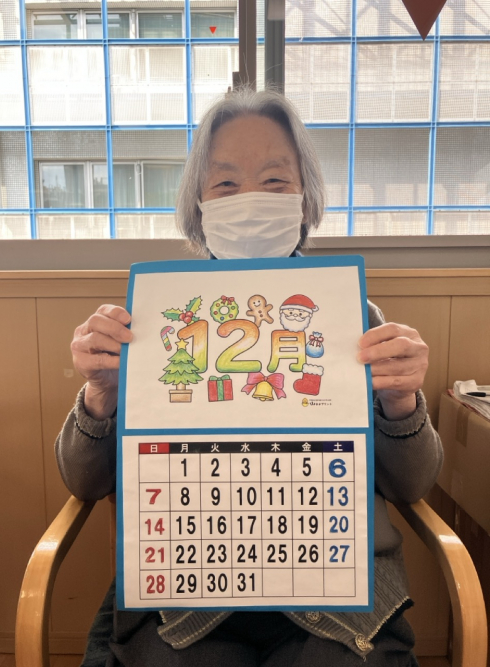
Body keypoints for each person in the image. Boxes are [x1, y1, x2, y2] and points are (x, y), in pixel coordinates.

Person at [56, 87, 442, 667]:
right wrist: (99, 394)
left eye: (276, 180)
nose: (251, 200)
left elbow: (412, 484)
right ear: (199, 204)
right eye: (226, 183)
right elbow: (83, 482)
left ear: (305, 199)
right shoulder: (158, 319)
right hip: (185, 591)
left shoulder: (352, 316)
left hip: (334, 591)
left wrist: (402, 401)